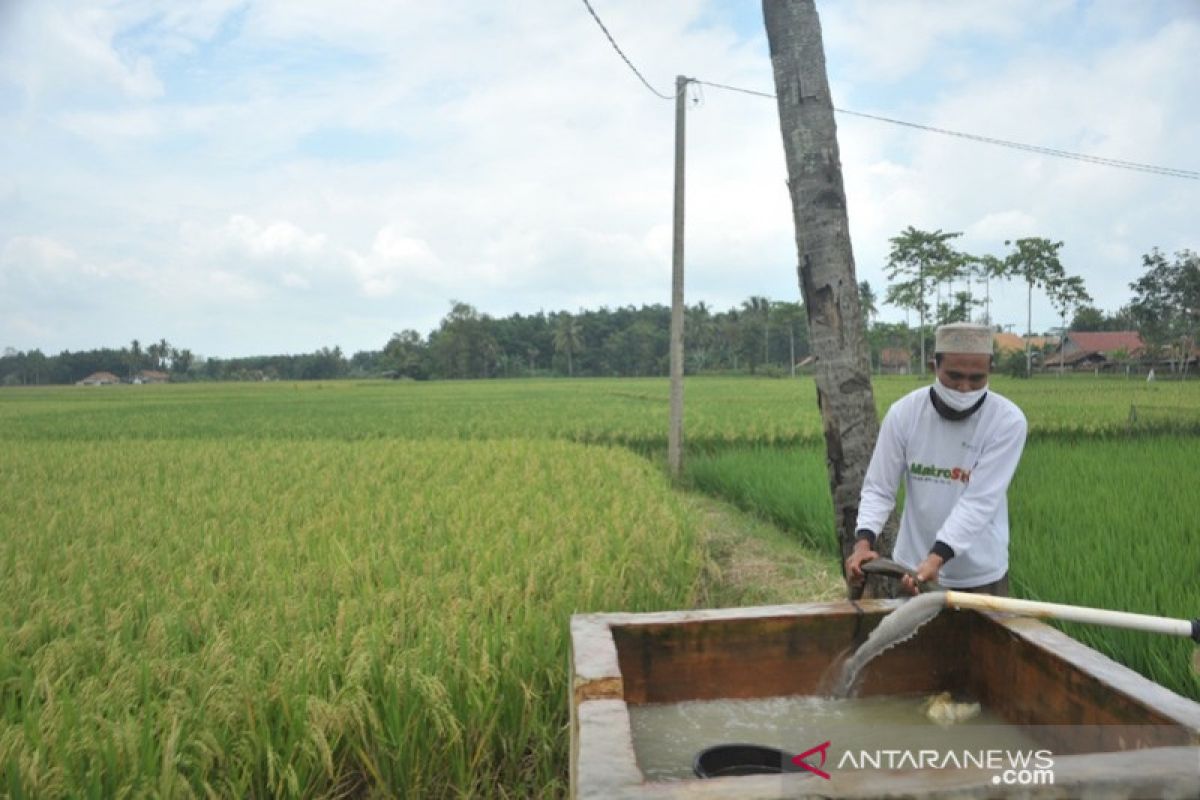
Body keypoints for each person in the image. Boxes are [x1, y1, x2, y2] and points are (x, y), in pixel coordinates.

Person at [846, 323, 1027, 596]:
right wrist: (863, 543)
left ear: (990, 369)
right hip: (910, 567)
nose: (964, 388)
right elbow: (879, 488)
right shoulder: (905, 414)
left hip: (978, 575)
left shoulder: (1007, 421)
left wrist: (936, 558)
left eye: (976, 378)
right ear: (934, 367)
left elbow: (979, 501)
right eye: (954, 376)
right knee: (911, 639)